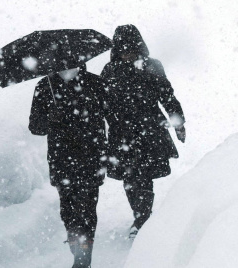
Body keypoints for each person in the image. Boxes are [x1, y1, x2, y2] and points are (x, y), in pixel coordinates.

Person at [100, 24, 186, 239]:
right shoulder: (110, 70)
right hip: (122, 132)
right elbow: (101, 103)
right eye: (122, 48)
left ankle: (143, 218)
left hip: (149, 130)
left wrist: (179, 122)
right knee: (131, 178)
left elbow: (167, 95)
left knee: (143, 175)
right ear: (117, 49)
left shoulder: (152, 66)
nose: (127, 53)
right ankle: (141, 216)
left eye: (131, 48)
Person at [29, 63, 112, 268]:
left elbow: (112, 115)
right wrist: (50, 119)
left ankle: (83, 259)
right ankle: (77, 245)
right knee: (68, 210)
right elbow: (35, 126)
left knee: (86, 209)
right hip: (61, 158)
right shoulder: (45, 86)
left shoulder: (95, 83)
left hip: (91, 156)